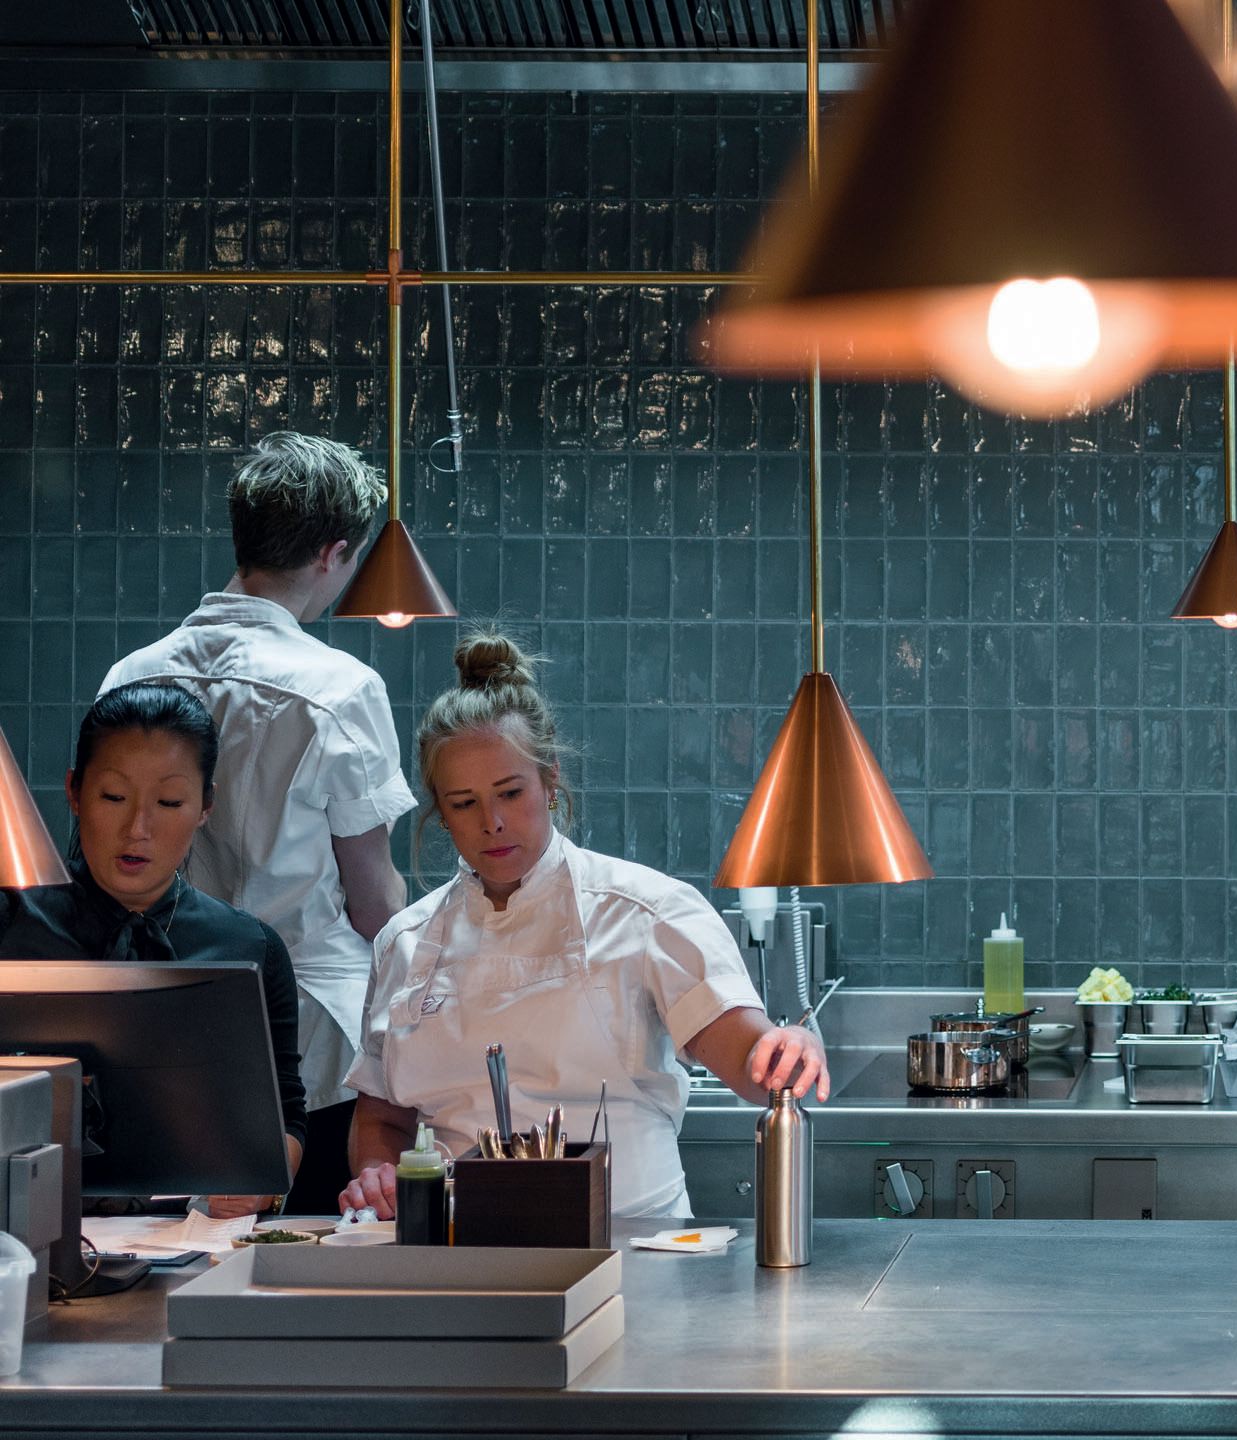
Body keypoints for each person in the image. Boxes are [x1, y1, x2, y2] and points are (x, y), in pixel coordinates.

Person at [338, 634, 829, 1221]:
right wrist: (380, 1178)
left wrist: (791, 1048)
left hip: (632, 1243)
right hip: (455, 1245)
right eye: (464, 803)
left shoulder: (647, 912)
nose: (492, 823)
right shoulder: (405, 942)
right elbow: (382, 1118)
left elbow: (752, 1062)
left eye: (511, 793)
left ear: (550, 780)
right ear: (440, 812)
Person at [100, 432, 414, 1214]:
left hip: (161, 1029)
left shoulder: (131, 676)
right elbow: (373, 900)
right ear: (334, 555)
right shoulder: (341, 690)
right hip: (312, 1034)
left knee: (166, 1260)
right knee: (302, 1265)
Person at [0, 684, 308, 1216]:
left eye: (169, 803)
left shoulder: (249, 946)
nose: (137, 829)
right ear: (74, 791)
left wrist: (260, 1181)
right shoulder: (11, 925)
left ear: (206, 806)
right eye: (113, 797)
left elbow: (286, 1116)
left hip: (187, 1239)